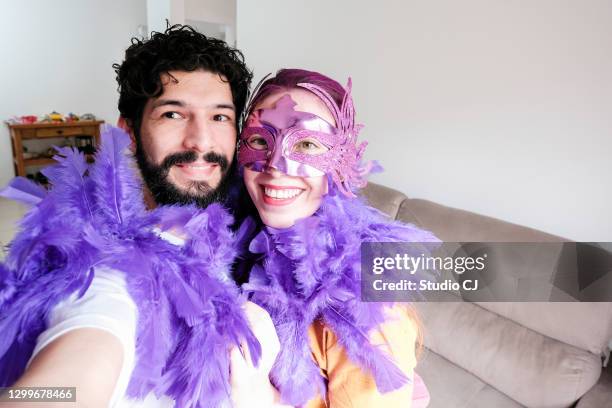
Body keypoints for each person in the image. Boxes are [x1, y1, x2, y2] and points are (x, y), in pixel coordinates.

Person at [0, 25, 282, 407]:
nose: (200, 140)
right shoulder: (103, 276)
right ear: (129, 132)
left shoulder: (254, 230)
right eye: (172, 114)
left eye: (219, 117)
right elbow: (66, 382)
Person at [236, 68, 438, 407]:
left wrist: (260, 397)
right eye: (260, 141)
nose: (275, 164)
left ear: (342, 162)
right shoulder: (240, 240)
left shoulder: (370, 302)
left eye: (306, 144)